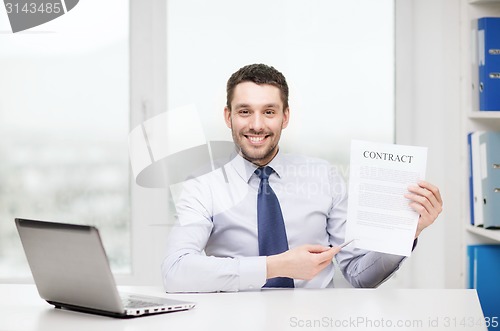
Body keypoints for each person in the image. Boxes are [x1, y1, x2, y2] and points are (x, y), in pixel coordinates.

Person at [161, 63, 443, 292]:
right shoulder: (203, 184)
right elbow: (176, 271)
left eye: (269, 112)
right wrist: (276, 266)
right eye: (245, 112)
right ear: (228, 116)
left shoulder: (324, 177)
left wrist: (407, 231)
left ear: (285, 117)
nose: (256, 125)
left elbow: (360, 275)